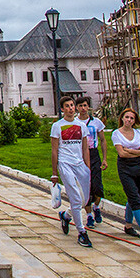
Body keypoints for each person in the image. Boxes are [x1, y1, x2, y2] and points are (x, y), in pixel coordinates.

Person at [50, 95, 92, 248]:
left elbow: (85, 148)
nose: (70, 108)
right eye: (67, 106)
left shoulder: (81, 126)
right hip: (65, 163)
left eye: (72, 105)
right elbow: (54, 150)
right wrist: (54, 173)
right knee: (75, 197)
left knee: (84, 200)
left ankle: (66, 216)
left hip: (80, 164)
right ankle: (82, 232)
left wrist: (87, 167)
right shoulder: (57, 126)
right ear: (62, 109)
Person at [112, 107, 140, 244]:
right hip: (125, 167)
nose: (129, 120)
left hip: (139, 166)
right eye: (127, 117)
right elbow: (121, 154)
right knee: (134, 198)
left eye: (132, 118)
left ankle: (128, 225)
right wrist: (137, 151)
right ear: (122, 118)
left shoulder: (138, 133)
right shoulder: (116, 134)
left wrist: (129, 150)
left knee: (139, 194)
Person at [76, 97, 107, 226]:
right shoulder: (75, 122)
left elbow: (103, 140)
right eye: (80, 106)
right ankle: (89, 215)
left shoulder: (96, 122)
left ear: (88, 106)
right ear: (77, 108)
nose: (83, 108)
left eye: (85, 105)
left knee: (97, 185)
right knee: (85, 187)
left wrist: (104, 158)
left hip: (94, 154)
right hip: (81, 155)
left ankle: (96, 207)